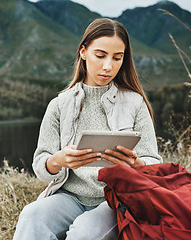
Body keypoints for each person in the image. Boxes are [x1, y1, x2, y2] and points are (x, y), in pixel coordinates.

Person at [13, 18, 163, 240]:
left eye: (117, 58)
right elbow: (41, 163)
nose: (108, 66)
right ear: (83, 52)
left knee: (84, 233)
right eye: (100, 55)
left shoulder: (135, 103)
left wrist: (136, 163)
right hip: (68, 197)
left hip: (113, 200)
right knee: (31, 215)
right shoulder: (59, 105)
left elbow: (154, 163)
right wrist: (58, 160)